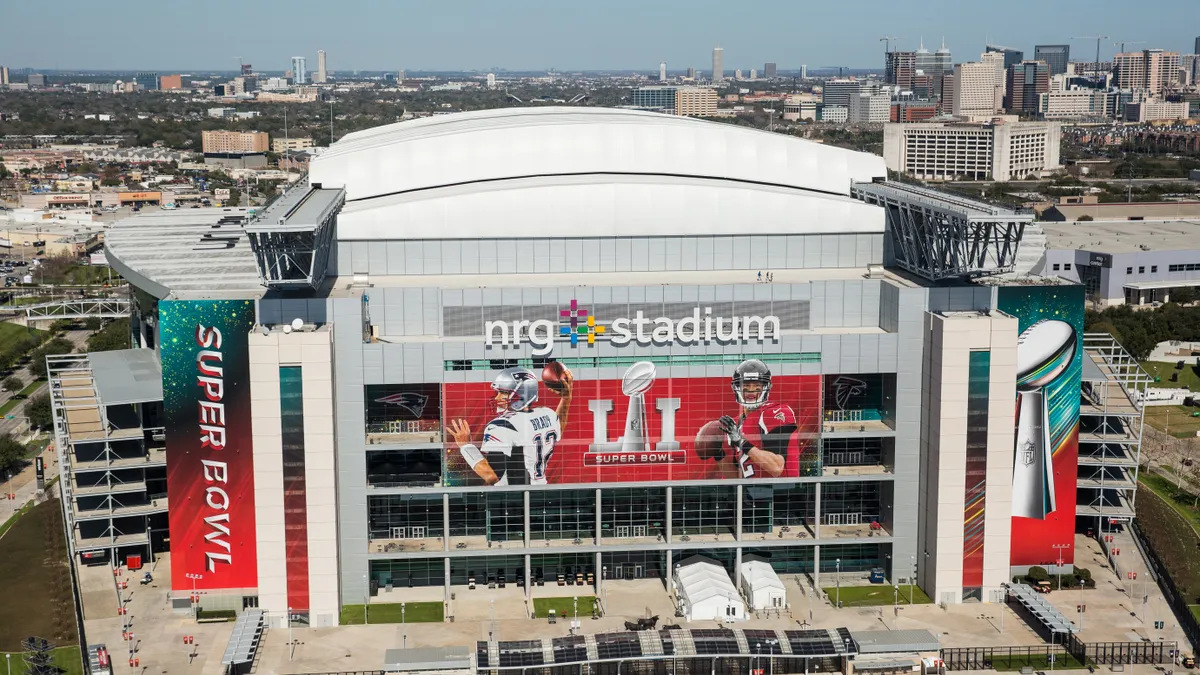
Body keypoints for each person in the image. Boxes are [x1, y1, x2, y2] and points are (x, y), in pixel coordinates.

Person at [448, 367, 573, 485]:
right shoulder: (547, 414)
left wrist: (466, 446)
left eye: (503, 393)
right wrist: (566, 399)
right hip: (542, 492)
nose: (497, 398)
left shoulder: (501, 426)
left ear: (521, 395)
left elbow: (491, 476)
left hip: (514, 498)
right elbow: (559, 428)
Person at [713, 359, 799, 478]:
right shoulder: (734, 424)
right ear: (737, 387)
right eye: (746, 385)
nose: (751, 390)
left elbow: (776, 468)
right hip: (749, 493)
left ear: (766, 387)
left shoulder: (775, 412)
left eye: (757, 385)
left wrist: (741, 441)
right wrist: (718, 454)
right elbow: (735, 476)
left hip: (779, 492)